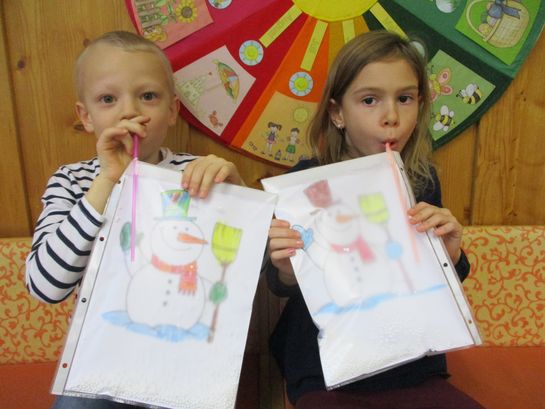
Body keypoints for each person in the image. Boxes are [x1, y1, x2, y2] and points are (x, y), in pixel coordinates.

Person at [25, 30, 244, 408]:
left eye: (148, 96)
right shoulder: (73, 181)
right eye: (108, 99)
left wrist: (236, 193)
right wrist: (106, 181)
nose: (129, 111)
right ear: (86, 116)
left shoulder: (199, 174)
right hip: (98, 365)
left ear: (172, 111)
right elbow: (46, 287)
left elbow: (245, 273)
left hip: (185, 362)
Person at [265, 31, 484, 409]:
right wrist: (286, 268)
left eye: (405, 98)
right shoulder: (304, 183)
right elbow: (279, 284)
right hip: (325, 368)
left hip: (411, 362)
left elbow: (436, 280)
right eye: (370, 100)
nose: (391, 117)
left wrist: (449, 253)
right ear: (337, 113)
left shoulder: (421, 180)